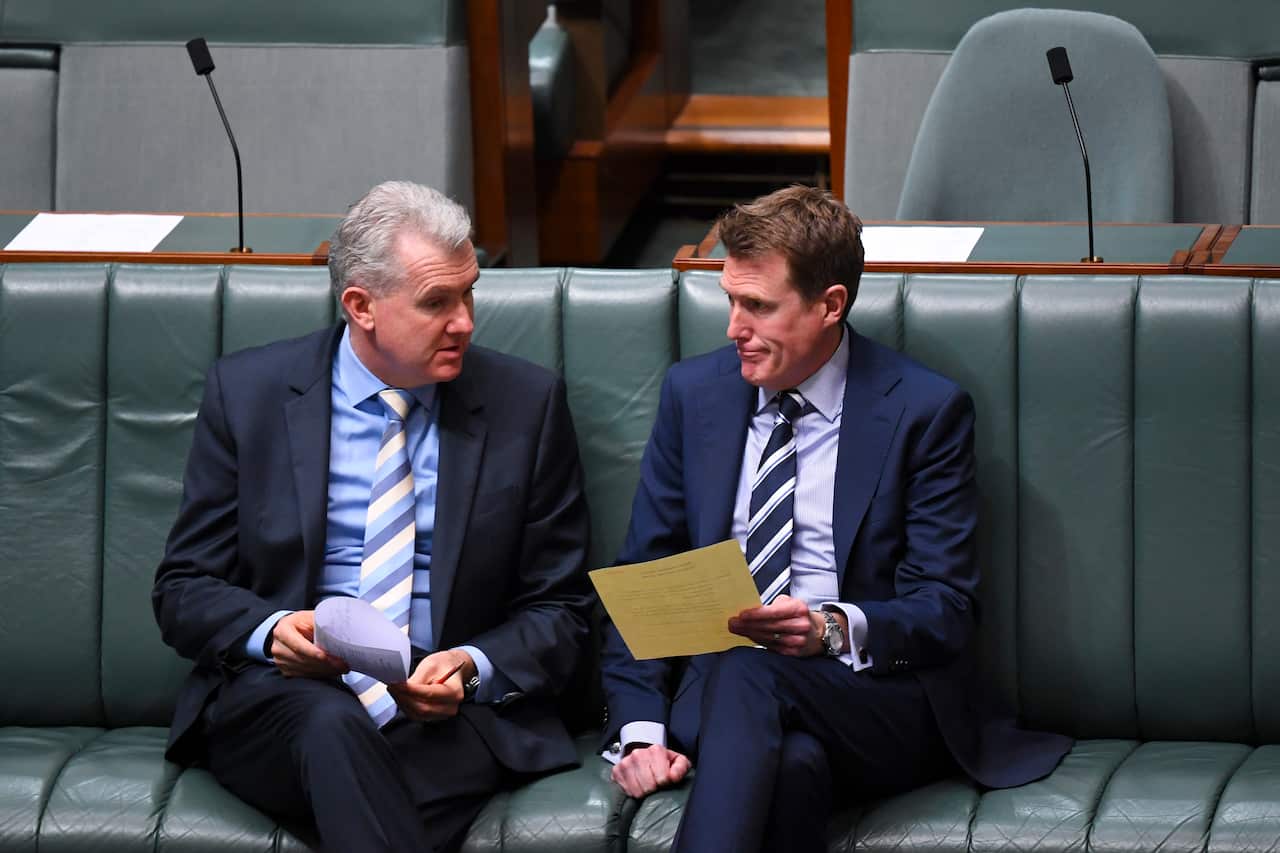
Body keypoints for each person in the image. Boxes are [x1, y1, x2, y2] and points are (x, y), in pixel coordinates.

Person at [599, 186, 1072, 853]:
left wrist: (829, 627)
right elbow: (646, 577)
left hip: (873, 694)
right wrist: (642, 727)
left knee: (750, 669)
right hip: (721, 701)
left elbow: (946, 607)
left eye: (758, 306)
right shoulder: (694, 394)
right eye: (730, 299)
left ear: (830, 306)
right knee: (791, 767)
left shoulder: (924, 412)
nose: (734, 327)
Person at [153, 180, 592, 853]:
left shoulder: (524, 406)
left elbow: (561, 608)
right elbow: (182, 587)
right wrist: (272, 631)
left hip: (448, 713)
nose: (466, 321)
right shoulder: (250, 396)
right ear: (361, 306)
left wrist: (469, 665)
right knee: (331, 726)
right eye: (437, 303)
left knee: (360, 779)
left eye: (470, 292)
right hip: (284, 696)